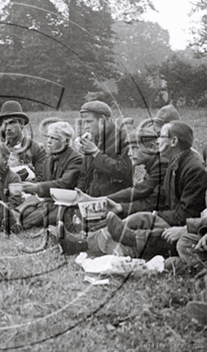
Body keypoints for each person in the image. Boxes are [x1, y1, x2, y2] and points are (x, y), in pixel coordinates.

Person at [105, 121, 207, 260]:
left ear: (174, 141)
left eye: (162, 136)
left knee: (156, 229)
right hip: (181, 221)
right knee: (141, 218)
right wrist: (151, 214)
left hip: (186, 225)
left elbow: (186, 215)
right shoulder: (175, 161)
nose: (158, 140)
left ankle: (131, 240)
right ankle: (99, 238)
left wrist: (157, 214)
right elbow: (161, 198)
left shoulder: (193, 169)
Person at [13, 121, 83, 229]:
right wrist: (27, 185)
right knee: (33, 202)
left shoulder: (76, 159)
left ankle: (17, 222)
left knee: (47, 209)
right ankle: (14, 217)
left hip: (68, 204)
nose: (48, 141)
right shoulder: (50, 158)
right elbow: (43, 180)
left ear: (66, 141)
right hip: (49, 200)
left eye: (54, 138)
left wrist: (37, 187)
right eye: (48, 137)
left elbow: (65, 183)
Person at [105, 127, 169, 218]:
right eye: (129, 149)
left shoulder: (162, 165)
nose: (129, 153)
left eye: (134, 148)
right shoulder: (155, 164)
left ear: (152, 147)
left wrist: (104, 199)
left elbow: (143, 192)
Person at [76, 101, 133, 197]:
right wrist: (78, 195)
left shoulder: (123, 138)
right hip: (91, 201)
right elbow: (84, 175)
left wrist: (96, 153)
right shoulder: (93, 140)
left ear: (102, 120)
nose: (85, 127)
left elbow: (123, 171)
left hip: (116, 201)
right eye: (83, 122)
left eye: (89, 122)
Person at [0, 101, 47, 182]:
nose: (8, 128)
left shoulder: (36, 149)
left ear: (21, 125)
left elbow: (41, 178)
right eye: (5, 124)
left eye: (12, 123)